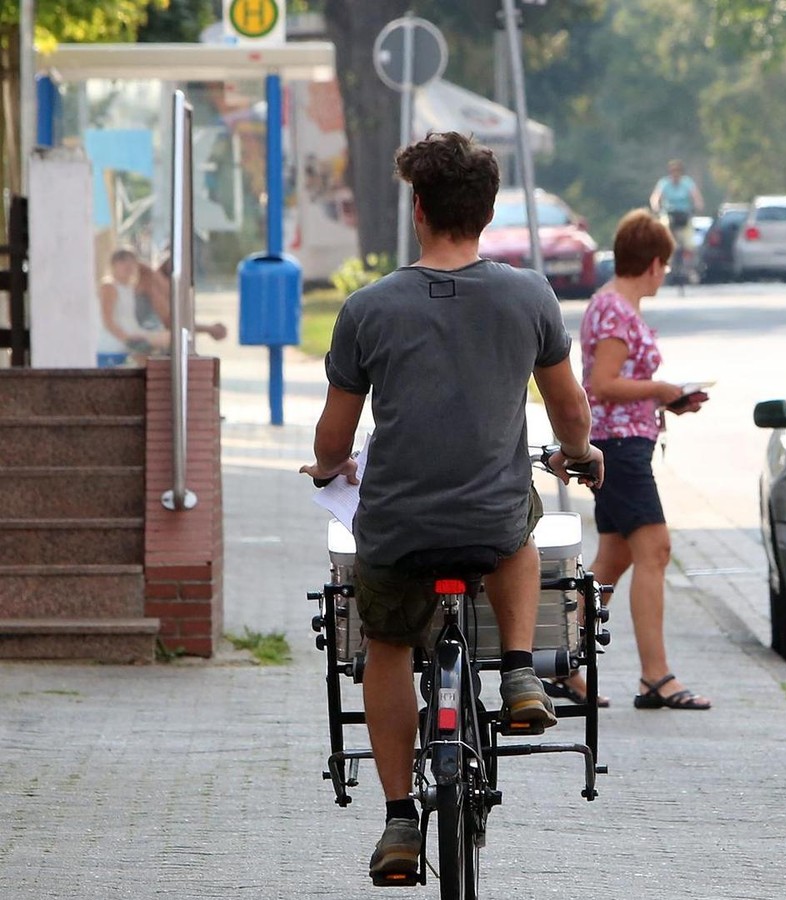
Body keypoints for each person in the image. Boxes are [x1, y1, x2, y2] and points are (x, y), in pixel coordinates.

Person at [298, 132, 604, 882]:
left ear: (419, 208)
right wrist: (582, 454)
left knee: (388, 648)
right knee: (520, 523)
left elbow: (334, 438)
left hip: (397, 529)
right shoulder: (529, 295)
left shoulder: (368, 308)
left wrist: (328, 468)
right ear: (487, 211)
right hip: (488, 517)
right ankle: (524, 675)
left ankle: (401, 819)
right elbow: (570, 411)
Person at [575, 208, 711, 711]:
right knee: (655, 549)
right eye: (666, 266)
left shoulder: (615, 306)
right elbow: (603, 385)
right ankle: (655, 676)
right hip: (619, 450)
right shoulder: (614, 309)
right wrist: (658, 387)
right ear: (654, 263)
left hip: (621, 444)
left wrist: (665, 400)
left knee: (613, 560)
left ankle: (561, 662)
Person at [97, 248, 229, 367]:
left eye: (131, 263)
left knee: (172, 339)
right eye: (123, 263)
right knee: (169, 339)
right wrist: (127, 339)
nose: (129, 267)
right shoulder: (110, 287)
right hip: (120, 339)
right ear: (114, 265)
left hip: (134, 333)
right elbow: (107, 321)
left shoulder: (130, 287)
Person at [648, 159, 703, 269]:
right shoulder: (664, 183)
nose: (675, 174)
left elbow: (696, 196)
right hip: (669, 214)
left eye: (678, 171)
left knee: (690, 243)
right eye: (673, 171)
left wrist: (698, 205)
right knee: (664, 232)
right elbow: (655, 197)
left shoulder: (688, 183)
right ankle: (666, 262)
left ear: (681, 173)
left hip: (684, 215)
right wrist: (656, 206)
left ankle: (690, 266)